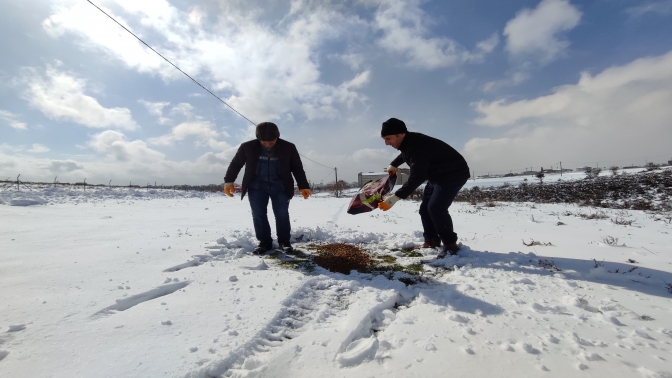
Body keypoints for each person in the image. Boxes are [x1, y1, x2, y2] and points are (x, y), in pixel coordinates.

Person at [377, 118, 470, 258]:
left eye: (388, 138)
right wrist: (394, 164)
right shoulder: (409, 142)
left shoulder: (418, 146)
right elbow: (405, 154)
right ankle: (431, 241)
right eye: (384, 139)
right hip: (436, 175)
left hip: (453, 175)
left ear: (401, 134)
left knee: (436, 208)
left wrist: (396, 197)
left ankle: (451, 246)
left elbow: (417, 176)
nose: (386, 143)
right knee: (425, 209)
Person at [223, 122, 311, 255]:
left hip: (280, 186)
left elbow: (297, 167)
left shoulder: (289, 147)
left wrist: (303, 185)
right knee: (258, 215)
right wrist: (228, 181)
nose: (268, 144)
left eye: (271, 141)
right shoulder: (247, 147)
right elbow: (236, 164)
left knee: (282, 215)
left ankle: (284, 242)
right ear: (258, 138)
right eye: (264, 141)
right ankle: (264, 242)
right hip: (256, 186)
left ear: (277, 136)